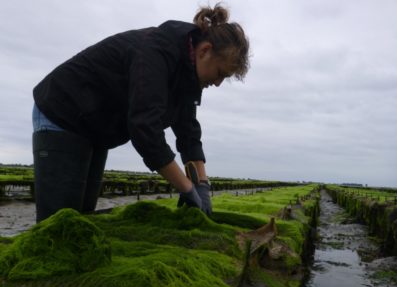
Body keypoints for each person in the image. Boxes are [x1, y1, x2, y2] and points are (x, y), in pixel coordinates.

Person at [32, 3, 250, 222]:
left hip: (95, 129)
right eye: (220, 73)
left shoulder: (187, 76)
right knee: (59, 222)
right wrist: (185, 188)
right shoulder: (156, 51)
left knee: (82, 217)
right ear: (205, 51)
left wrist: (202, 185)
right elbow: (145, 128)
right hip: (62, 112)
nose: (219, 83)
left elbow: (188, 133)